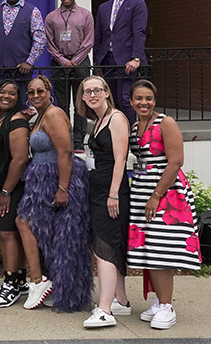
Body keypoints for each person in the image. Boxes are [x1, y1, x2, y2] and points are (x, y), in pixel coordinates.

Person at [127, 79, 200, 330]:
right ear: (131, 102)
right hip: (143, 191)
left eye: (148, 98)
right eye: (138, 98)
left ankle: (167, 307)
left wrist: (156, 195)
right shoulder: (135, 126)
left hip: (167, 194)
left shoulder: (165, 122)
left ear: (155, 101)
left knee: (161, 249)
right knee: (151, 249)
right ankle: (159, 301)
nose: (143, 102)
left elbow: (176, 161)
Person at [16, 75, 91, 312]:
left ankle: (39, 281)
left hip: (55, 178)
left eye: (40, 91)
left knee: (26, 222)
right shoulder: (41, 116)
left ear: (50, 92)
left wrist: (63, 188)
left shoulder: (54, 114)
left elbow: (66, 152)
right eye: (31, 92)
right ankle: (53, 285)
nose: (35, 95)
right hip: (40, 179)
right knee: (47, 234)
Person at [76, 76, 131, 328]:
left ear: (107, 92)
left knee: (104, 248)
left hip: (111, 193)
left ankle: (105, 309)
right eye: (88, 91)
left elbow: (120, 159)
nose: (93, 94)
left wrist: (113, 194)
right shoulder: (97, 120)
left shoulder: (117, 118)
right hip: (98, 192)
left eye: (97, 89)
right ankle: (120, 300)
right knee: (110, 245)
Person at [0, 81, 30, 308]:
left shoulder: (17, 120)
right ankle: (20, 280)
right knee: (9, 232)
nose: (6, 96)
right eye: (2, 91)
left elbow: (20, 159)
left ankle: (10, 283)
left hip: (10, 188)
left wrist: (6, 191)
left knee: (6, 234)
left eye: (13, 93)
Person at [45, 0, 95, 149]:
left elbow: (89, 41)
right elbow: (49, 42)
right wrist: (62, 60)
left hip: (80, 63)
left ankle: (79, 141)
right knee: (62, 102)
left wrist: (76, 60)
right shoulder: (52, 17)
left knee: (81, 102)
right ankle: (64, 137)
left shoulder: (86, 15)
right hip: (59, 64)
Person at [94, 0, 148, 124]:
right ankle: (116, 133)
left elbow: (139, 32)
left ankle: (131, 135)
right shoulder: (104, 7)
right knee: (111, 100)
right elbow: (99, 35)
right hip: (107, 59)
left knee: (126, 99)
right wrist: (98, 62)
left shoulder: (137, 3)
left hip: (127, 60)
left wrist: (136, 58)